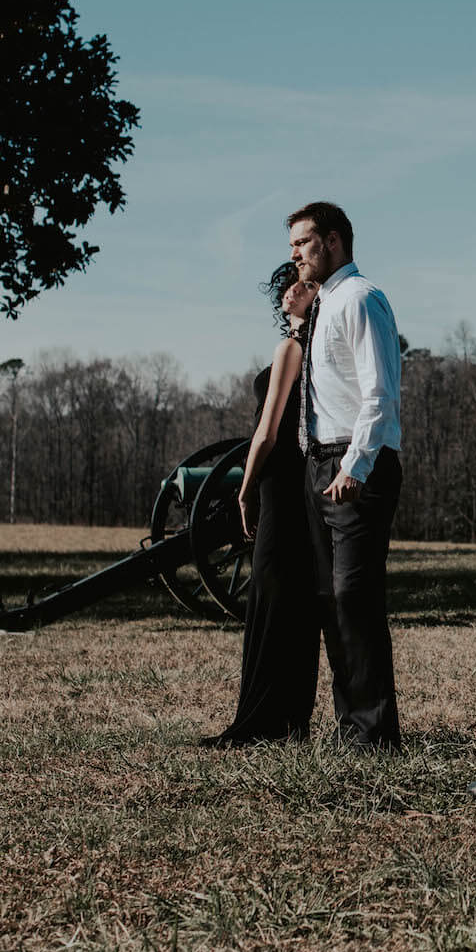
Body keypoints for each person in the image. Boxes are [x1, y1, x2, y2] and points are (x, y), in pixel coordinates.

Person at [287, 199, 405, 748]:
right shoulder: (324, 306)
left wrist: (355, 466)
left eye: (302, 243)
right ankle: (352, 728)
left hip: (355, 465)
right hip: (320, 463)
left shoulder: (361, 299)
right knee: (330, 601)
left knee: (353, 597)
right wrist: (298, 319)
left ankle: (375, 736)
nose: (295, 256)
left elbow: (378, 394)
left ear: (332, 241)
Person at [202, 263, 320, 747]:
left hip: (280, 480)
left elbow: (266, 432)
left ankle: (263, 723)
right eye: (289, 284)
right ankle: (287, 721)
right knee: (289, 596)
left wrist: (245, 488)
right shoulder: (315, 351)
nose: (294, 289)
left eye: (307, 282)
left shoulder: (292, 348)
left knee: (273, 594)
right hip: (300, 480)